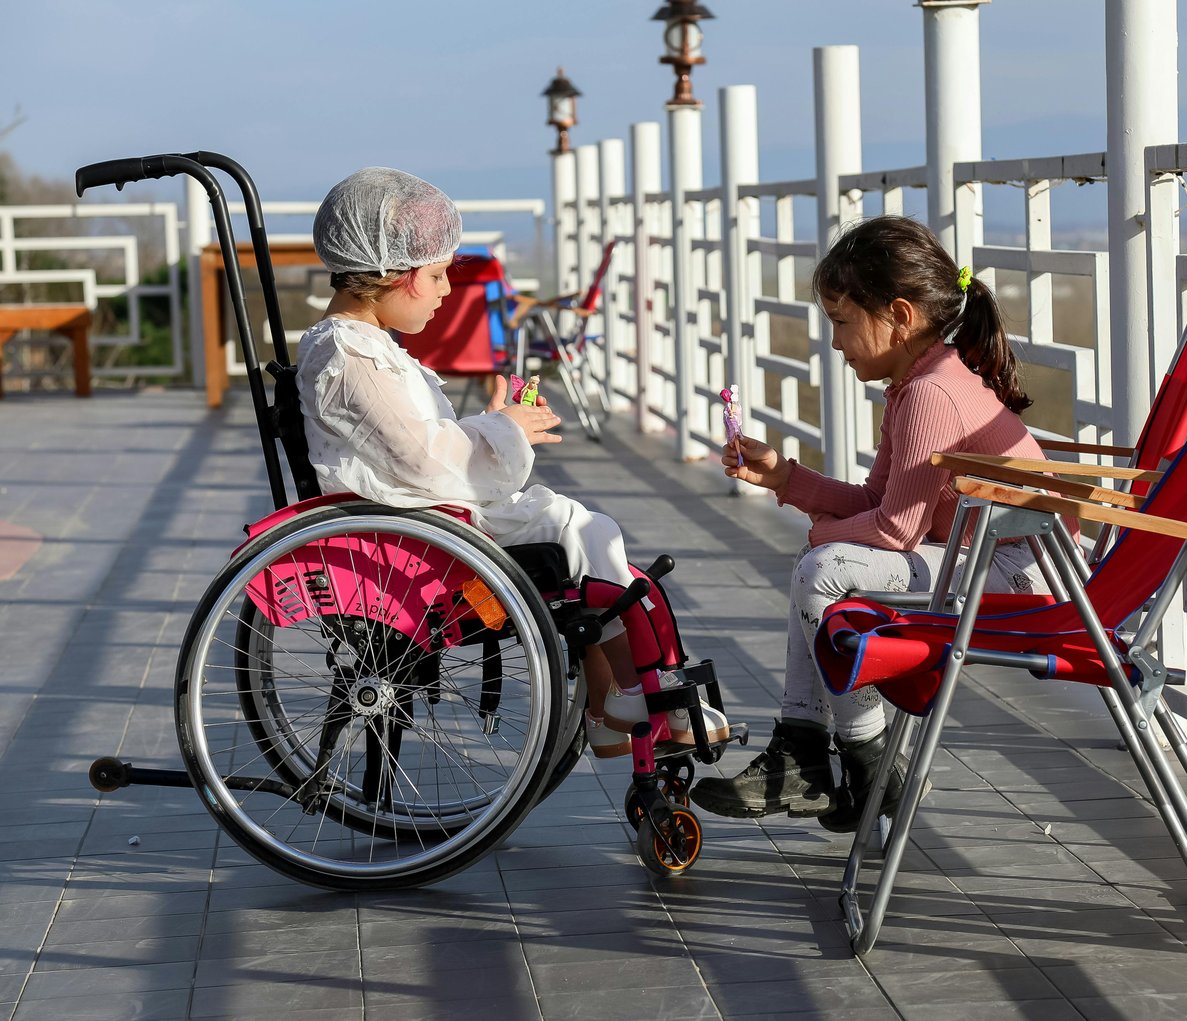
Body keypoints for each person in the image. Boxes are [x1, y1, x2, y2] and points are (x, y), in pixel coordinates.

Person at [297, 167, 727, 758]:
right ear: (395, 274)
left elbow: (410, 446)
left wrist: (493, 428)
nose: (449, 288)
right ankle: (632, 691)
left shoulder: (358, 349)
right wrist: (501, 431)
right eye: (439, 273)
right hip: (414, 536)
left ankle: (613, 706)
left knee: (584, 549)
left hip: (415, 518)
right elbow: (422, 459)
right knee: (583, 533)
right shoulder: (350, 353)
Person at [691, 215, 1049, 831]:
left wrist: (819, 537)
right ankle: (816, 754)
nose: (834, 343)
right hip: (979, 559)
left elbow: (891, 532)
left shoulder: (930, 395)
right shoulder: (921, 382)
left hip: (1016, 577)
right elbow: (876, 500)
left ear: (900, 315)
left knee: (824, 567)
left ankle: (865, 760)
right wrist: (784, 477)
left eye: (841, 322)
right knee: (822, 567)